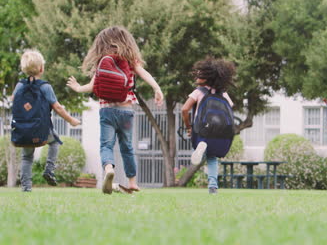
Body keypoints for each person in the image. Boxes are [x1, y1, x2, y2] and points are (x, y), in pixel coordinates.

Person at [67, 26, 164, 194]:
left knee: (106, 145)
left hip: (107, 110)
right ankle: (132, 182)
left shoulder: (103, 61)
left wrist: (77, 88)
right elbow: (144, 73)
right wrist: (157, 88)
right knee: (127, 147)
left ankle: (109, 169)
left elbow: (91, 86)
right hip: (126, 111)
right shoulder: (130, 59)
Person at [13, 49, 81, 192]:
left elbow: (14, 101)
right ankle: (49, 169)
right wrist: (71, 120)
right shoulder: (45, 86)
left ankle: (26, 188)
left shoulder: (19, 85)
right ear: (41, 68)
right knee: (55, 142)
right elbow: (57, 107)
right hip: (41, 129)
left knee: (26, 157)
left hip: (24, 128)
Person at [181, 57, 235, 194]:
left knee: (204, 148)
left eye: (201, 73)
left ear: (208, 77)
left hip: (202, 129)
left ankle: (201, 147)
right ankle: (213, 186)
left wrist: (188, 127)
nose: (197, 75)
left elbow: (184, 109)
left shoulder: (199, 91)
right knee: (212, 158)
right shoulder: (222, 93)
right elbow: (230, 107)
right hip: (219, 131)